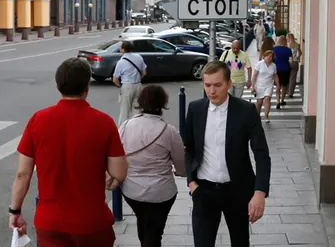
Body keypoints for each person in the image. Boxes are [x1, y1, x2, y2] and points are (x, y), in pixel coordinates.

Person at [9, 58, 127, 246]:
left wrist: (15, 211)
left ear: (58, 86)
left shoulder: (38, 120)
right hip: (93, 222)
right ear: (87, 86)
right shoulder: (104, 122)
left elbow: (23, 174)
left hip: (50, 223)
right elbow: (119, 173)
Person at [183, 61, 271, 247]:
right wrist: (191, 183)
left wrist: (260, 192)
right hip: (204, 191)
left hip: (237, 191)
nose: (212, 91)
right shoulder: (195, 109)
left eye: (217, 85)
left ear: (229, 84)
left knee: (240, 242)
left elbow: (262, 154)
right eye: (207, 85)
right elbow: (188, 148)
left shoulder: (246, 111)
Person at [118, 85, 185, 247]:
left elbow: (118, 154)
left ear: (140, 101)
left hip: (132, 190)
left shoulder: (126, 126)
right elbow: (181, 163)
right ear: (163, 103)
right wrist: (180, 172)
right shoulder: (169, 131)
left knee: (143, 222)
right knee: (154, 230)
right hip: (161, 192)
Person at [113, 41, 147, 126]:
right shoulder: (139, 57)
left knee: (124, 111)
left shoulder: (121, 62)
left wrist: (120, 86)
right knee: (137, 110)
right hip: (138, 85)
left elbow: (115, 79)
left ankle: (123, 129)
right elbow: (144, 72)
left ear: (123, 49)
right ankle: (136, 128)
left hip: (127, 86)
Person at [250, 51, 279, 123]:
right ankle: (257, 115)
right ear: (264, 56)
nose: (269, 58)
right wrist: (253, 86)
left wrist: (278, 86)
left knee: (267, 99)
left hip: (269, 85)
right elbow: (255, 76)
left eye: (271, 56)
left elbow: (275, 76)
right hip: (259, 85)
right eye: (267, 56)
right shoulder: (259, 64)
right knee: (259, 102)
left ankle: (266, 116)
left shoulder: (273, 65)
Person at [271, 37, 293, 109]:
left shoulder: (275, 49)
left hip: (276, 69)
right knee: (284, 86)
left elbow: (272, 58)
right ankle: (282, 100)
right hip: (286, 69)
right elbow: (291, 61)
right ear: (285, 41)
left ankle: (277, 101)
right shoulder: (288, 50)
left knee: (278, 86)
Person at [287, 34, 301, 99]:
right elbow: (300, 53)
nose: (287, 39)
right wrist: (297, 57)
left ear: (289, 38)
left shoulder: (287, 45)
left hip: (288, 62)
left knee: (287, 77)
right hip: (295, 62)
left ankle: (287, 90)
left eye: (287, 38)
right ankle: (291, 93)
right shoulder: (297, 44)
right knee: (293, 78)